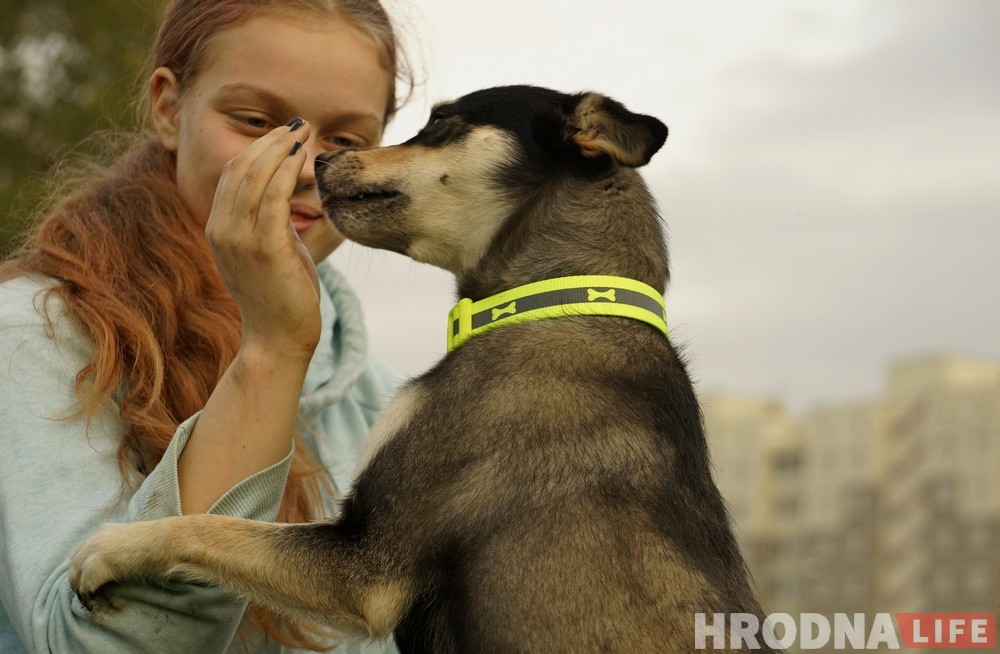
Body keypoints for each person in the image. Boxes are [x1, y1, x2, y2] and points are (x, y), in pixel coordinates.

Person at [0, 0, 415, 652]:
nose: (304, 166)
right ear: (168, 108)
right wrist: (272, 352)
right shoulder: (37, 337)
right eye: (256, 122)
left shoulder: (387, 402)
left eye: (345, 142)